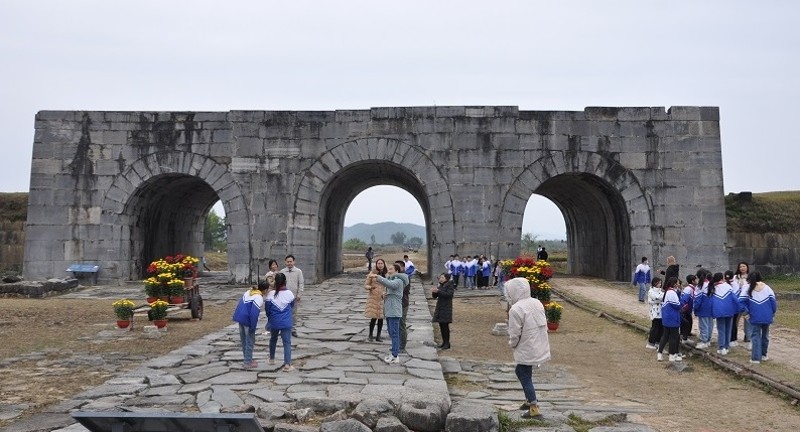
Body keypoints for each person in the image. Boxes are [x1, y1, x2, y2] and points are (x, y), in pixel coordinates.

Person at [505, 277, 550, 419]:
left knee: (524, 373)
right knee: (522, 371)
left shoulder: (516, 309)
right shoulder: (536, 302)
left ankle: (534, 407)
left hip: (526, 345)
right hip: (538, 343)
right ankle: (528, 399)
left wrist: (512, 343)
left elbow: (515, 332)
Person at [739, 271, 777, 364]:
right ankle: (764, 355)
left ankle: (756, 358)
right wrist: (772, 313)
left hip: (754, 316)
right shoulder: (767, 288)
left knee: (755, 336)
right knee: (765, 336)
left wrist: (746, 313)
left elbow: (740, 302)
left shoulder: (747, 288)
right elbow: (773, 303)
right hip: (767, 316)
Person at [372, 262, 405, 364]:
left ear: (396, 270)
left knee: (394, 333)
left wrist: (377, 276)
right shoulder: (392, 280)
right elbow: (390, 290)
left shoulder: (399, 281)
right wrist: (384, 295)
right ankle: (394, 352)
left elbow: (390, 284)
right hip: (389, 310)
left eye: (391, 269)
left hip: (395, 311)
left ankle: (395, 355)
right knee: (391, 332)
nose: (389, 270)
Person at [265, 273, 296, 371]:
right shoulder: (290, 294)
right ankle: (287, 364)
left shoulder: (270, 294)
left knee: (273, 339)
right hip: (286, 322)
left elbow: (267, 309)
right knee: (287, 343)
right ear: (285, 282)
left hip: (274, 322)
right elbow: (292, 305)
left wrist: (271, 318)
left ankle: (272, 359)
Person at [231, 282, 264, 369]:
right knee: (250, 341)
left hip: (240, 317)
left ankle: (247, 358)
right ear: (265, 290)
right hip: (247, 320)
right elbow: (254, 313)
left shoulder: (248, 292)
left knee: (244, 340)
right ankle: (247, 362)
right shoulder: (259, 297)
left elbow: (240, 304)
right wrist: (253, 327)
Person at [710, 272, 738, 355]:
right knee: (728, 329)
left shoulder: (713, 288)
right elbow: (735, 299)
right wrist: (739, 308)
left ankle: (721, 347)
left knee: (721, 329)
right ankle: (726, 346)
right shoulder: (728, 286)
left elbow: (711, 302)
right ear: (722, 278)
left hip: (719, 311)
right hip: (730, 310)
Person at [657, 277, 684, 362]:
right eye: (678, 283)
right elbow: (678, 305)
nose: (679, 284)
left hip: (666, 317)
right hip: (672, 318)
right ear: (675, 284)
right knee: (673, 336)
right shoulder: (672, 293)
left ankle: (660, 353)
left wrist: (679, 292)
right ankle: (672, 355)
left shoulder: (668, 291)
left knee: (665, 335)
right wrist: (683, 302)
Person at [280, 254, 304, 337]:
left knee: (293, 313)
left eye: (291, 261)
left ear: (294, 262)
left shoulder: (298, 271)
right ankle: (283, 329)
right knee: (283, 313)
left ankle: (293, 329)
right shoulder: (282, 272)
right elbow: (279, 283)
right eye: (288, 262)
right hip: (283, 297)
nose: (289, 263)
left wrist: (299, 294)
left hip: (294, 296)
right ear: (285, 262)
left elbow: (301, 283)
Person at [364, 258, 387, 342]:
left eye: (381, 263)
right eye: (379, 263)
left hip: (382, 298)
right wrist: (370, 287)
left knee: (381, 318)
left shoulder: (386, 274)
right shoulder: (371, 274)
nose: (380, 265)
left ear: (384, 264)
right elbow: (366, 285)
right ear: (376, 264)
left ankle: (378, 336)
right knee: (373, 318)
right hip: (373, 298)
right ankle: (370, 335)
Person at [431, 272, 455, 350]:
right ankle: (444, 342)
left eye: (442, 277)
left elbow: (448, 295)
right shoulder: (441, 285)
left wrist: (439, 291)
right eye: (440, 277)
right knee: (441, 326)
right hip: (440, 307)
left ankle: (447, 343)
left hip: (446, 308)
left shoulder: (449, 285)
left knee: (445, 327)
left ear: (446, 278)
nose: (440, 279)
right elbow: (435, 296)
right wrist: (434, 292)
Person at [693, 269, 714, 349]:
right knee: (710, 325)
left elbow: (698, 300)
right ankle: (708, 340)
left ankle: (704, 341)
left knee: (703, 325)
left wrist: (695, 309)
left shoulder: (699, 286)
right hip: (710, 308)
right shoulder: (710, 284)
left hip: (703, 309)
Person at [732, 262, 751, 348]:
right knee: (735, 319)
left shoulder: (750, 277)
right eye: (740, 267)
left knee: (747, 318)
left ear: (747, 267)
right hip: (737, 300)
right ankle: (733, 335)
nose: (742, 268)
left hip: (747, 300)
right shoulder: (735, 277)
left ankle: (748, 336)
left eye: (744, 266)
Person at [394, 260, 411, 350]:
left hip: (403, 302)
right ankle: (397, 342)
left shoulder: (405, 277)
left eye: (397, 267)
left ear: (403, 267)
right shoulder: (395, 276)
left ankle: (402, 344)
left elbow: (402, 290)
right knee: (395, 324)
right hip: (395, 303)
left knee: (401, 323)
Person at [645, 277, 664, 350]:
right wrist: (660, 300)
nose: (660, 284)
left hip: (661, 312)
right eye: (658, 283)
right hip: (654, 312)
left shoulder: (660, 291)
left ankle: (657, 342)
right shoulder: (651, 291)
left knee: (660, 328)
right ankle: (650, 343)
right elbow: (656, 298)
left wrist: (660, 299)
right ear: (655, 283)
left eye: (660, 283)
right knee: (655, 328)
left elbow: (662, 297)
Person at [680, 274, 697, 342]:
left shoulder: (692, 288)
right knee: (686, 322)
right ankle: (684, 336)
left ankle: (687, 334)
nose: (697, 280)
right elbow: (685, 299)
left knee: (690, 321)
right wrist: (684, 308)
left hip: (689, 309)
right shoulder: (688, 289)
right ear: (693, 281)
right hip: (685, 309)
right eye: (695, 279)